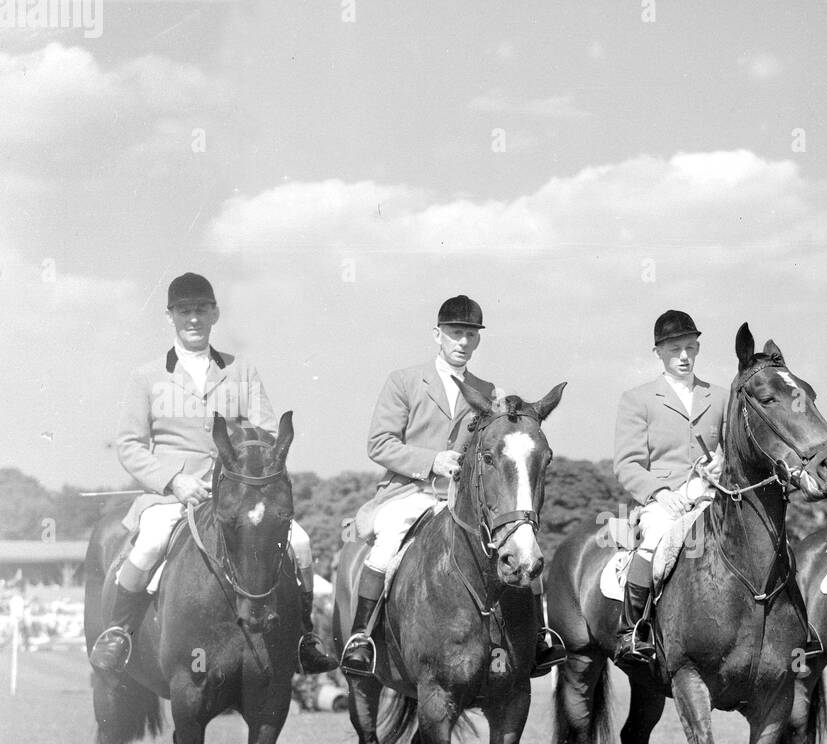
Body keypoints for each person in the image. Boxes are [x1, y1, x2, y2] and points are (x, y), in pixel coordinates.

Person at [88, 273, 336, 675]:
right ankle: (119, 632)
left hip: (235, 495)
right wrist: (174, 480)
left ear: (214, 313)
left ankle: (304, 638)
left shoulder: (242, 372)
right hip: (174, 495)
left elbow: (270, 434)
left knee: (302, 544)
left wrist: (240, 464)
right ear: (170, 315)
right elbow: (129, 445)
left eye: (201, 310)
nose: (193, 318)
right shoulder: (146, 377)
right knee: (149, 544)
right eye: (184, 310)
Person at [339, 294, 566, 677]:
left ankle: (539, 636)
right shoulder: (404, 381)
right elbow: (379, 443)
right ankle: (362, 637)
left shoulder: (489, 391)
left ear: (478, 340)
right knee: (388, 540)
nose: (462, 342)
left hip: (462, 499)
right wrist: (431, 462)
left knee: (518, 540)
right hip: (411, 492)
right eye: (455, 333)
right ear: (438, 335)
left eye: (470, 335)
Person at [611, 309, 724, 667]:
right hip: (664, 501)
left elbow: (732, 450)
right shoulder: (638, 399)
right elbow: (627, 464)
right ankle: (632, 630)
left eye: (691, 348)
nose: (684, 357)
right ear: (658, 351)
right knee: (656, 538)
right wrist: (660, 494)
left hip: (710, 494)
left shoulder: (720, 397)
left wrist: (722, 463)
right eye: (675, 349)